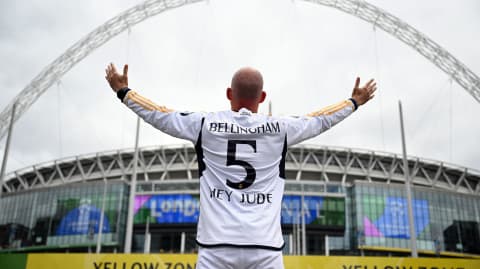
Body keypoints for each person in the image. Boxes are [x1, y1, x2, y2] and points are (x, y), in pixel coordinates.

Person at [105, 63, 376, 268]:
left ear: (228, 93)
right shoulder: (281, 128)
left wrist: (124, 91)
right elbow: (320, 120)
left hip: (215, 249)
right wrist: (353, 102)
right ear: (262, 97)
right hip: (266, 250)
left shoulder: (204, 125)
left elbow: (160, 115)